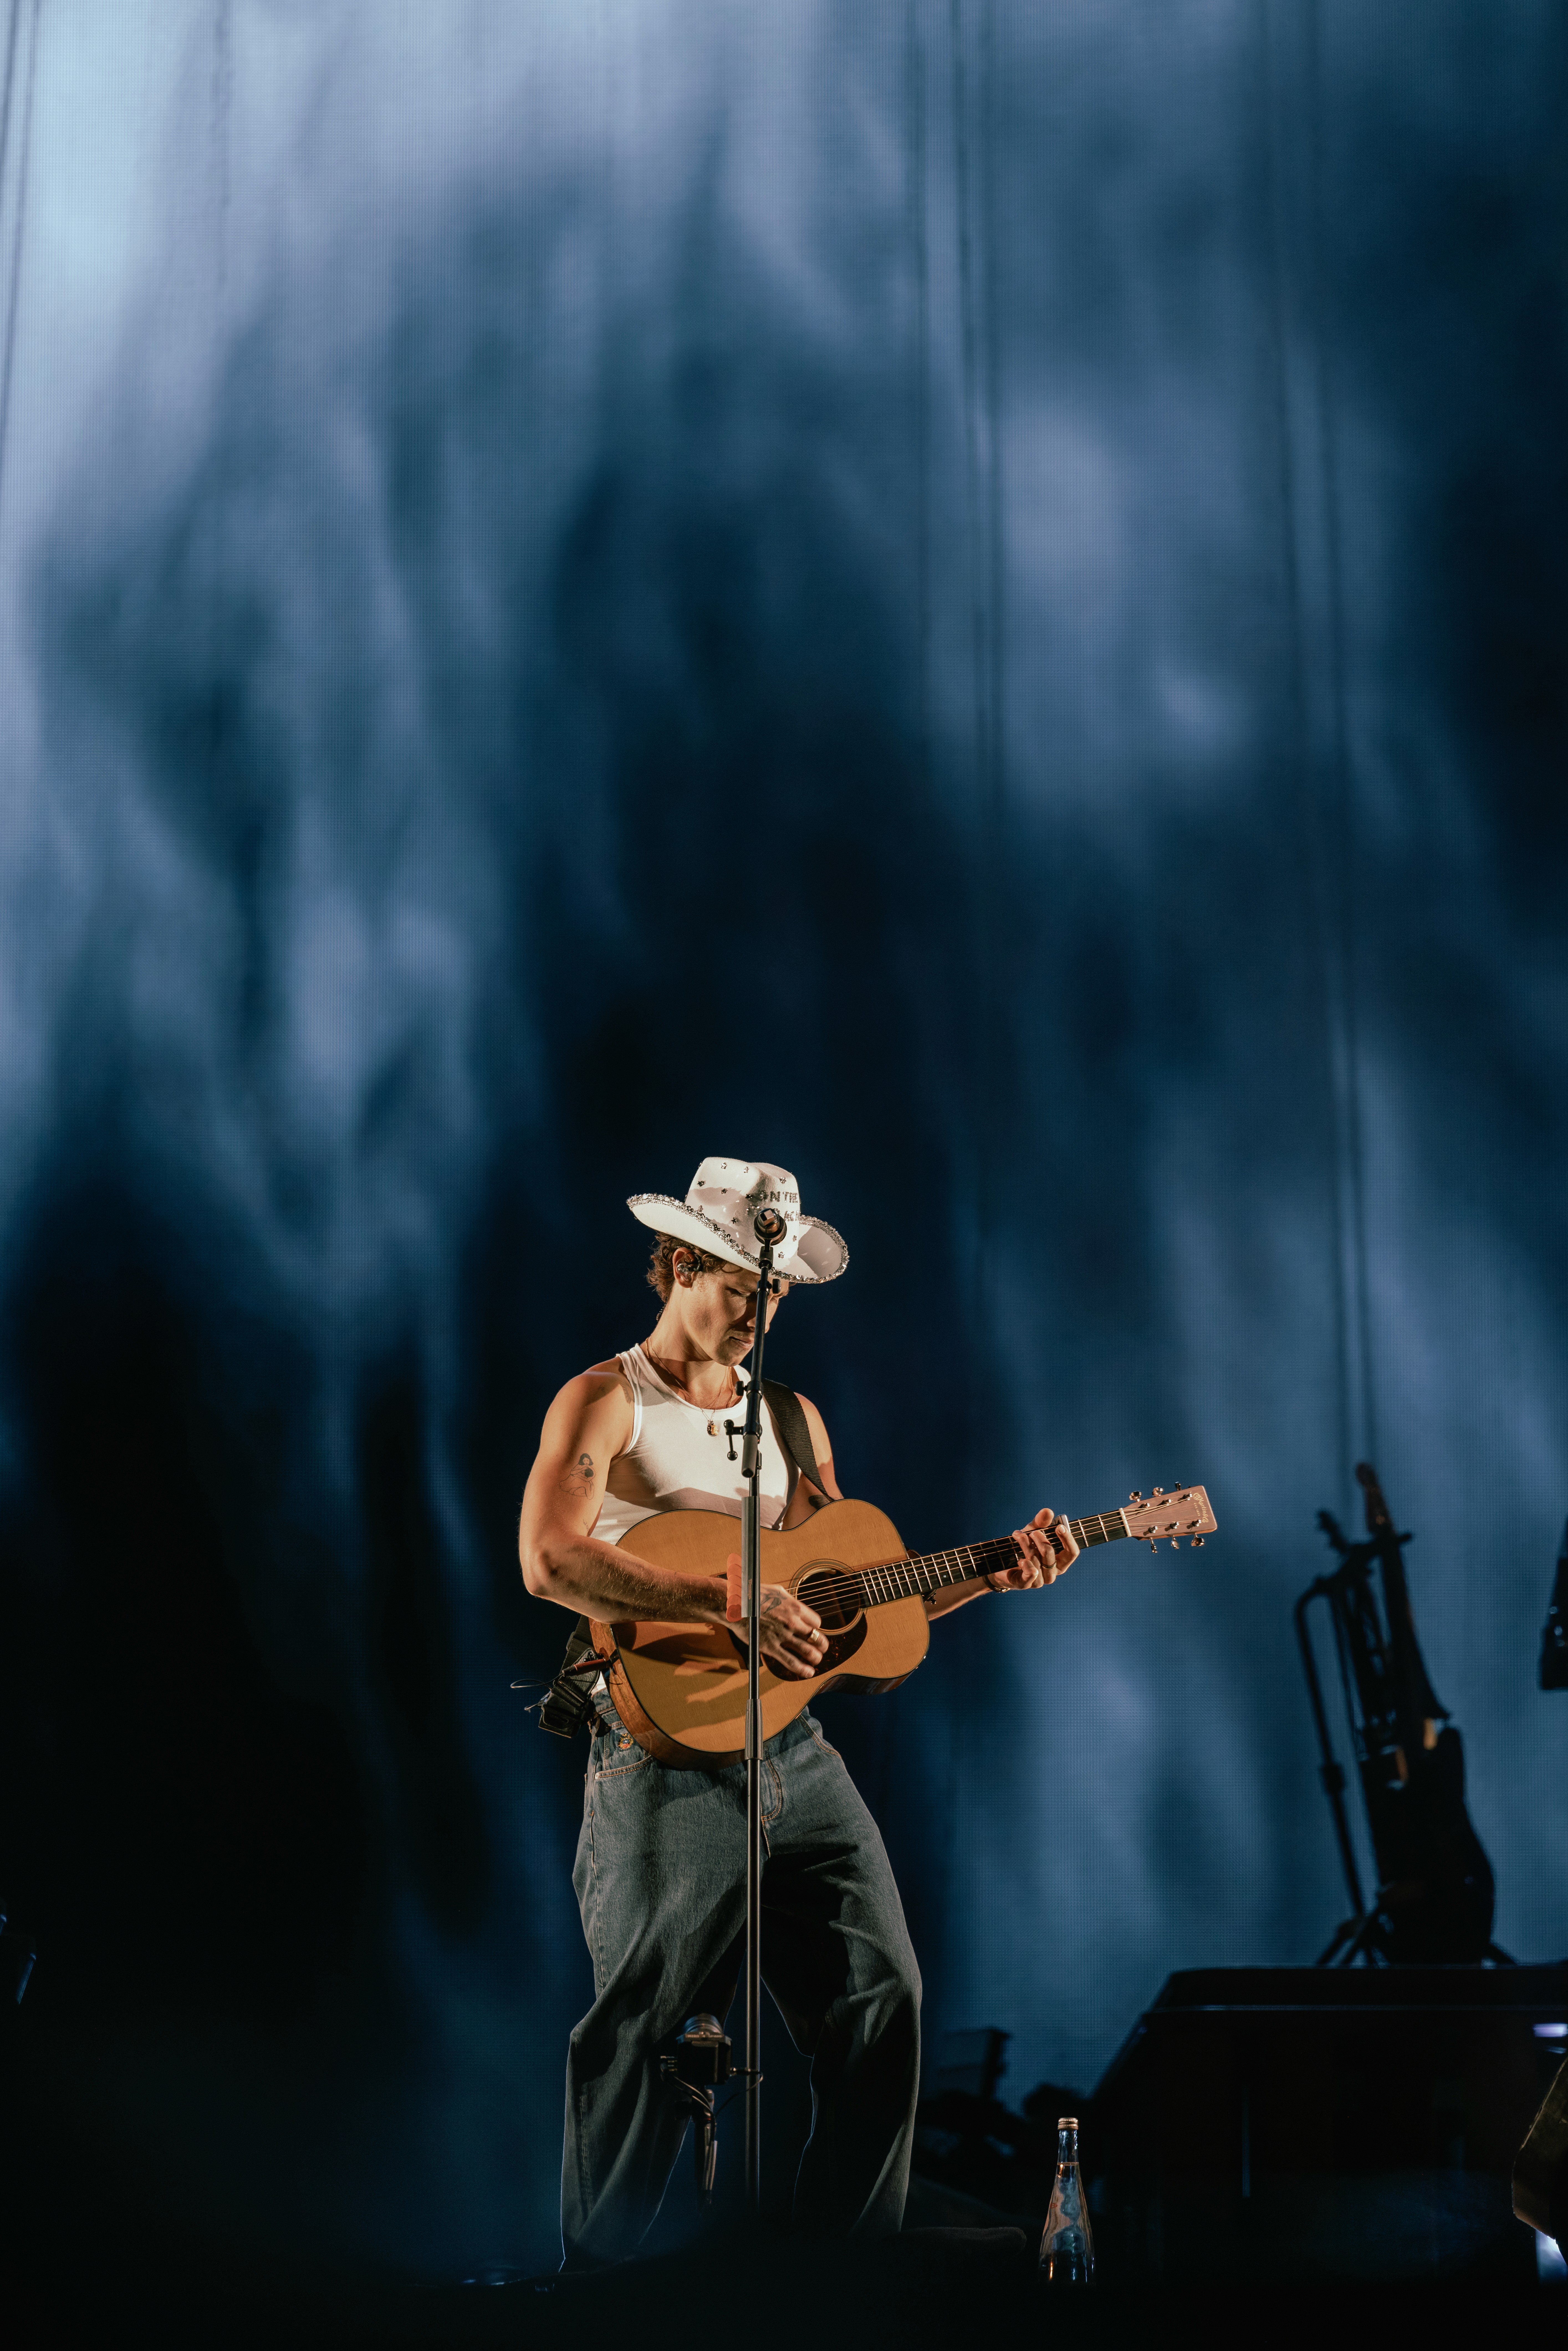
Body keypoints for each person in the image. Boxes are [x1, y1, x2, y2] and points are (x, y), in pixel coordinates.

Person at [518, 1157, 1078, 2266]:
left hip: (794, 1747)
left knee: (881, 1998)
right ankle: (599, 2299)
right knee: (644, 2028)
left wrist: (991, 1572)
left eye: (774, 1294)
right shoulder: (606, 1398)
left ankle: (840, 2282)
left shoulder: (790, 1418)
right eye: (742, 1287)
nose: (759, 1314)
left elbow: (854, 1597)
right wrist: (725, 1601)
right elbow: (549, 1560)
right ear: (683, 1264)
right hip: (659, 1748)